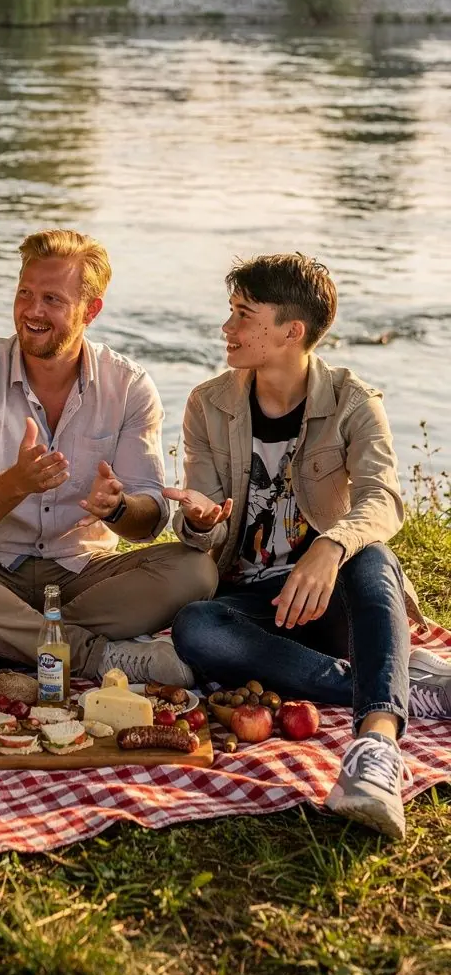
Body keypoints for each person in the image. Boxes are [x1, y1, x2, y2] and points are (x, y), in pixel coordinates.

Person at [167, 252, 451, 840]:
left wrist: (331, 546)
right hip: (257, 606)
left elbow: (383, 500)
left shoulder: (353, 401)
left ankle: (376, 746)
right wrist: (197, 521)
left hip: (332, 599)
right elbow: (208, 529)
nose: (226, 327)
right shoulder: (207, 404)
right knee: (195, 626)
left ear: (292, 331)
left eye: (243, 315)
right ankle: (396, 684)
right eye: (230, 311)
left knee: (372, 556)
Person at [0, 229, 217, 684]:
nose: (32, 311)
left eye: (52, 300)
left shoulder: (129, 386)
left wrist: (118, 509)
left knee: (195, 570)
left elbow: (149, 519)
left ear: (91, 310)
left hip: (84, 576)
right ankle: (96, 656)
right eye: (25, 293)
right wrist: (15, 484)